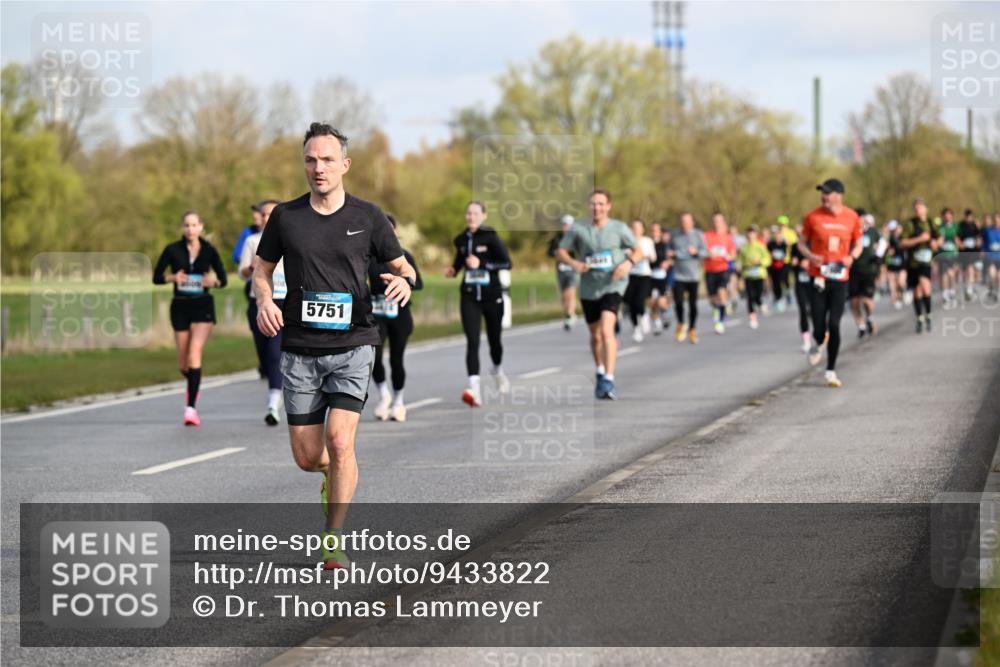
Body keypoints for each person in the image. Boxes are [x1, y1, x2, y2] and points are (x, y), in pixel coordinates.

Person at [254, 123, 416, 570]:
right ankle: (332, 477)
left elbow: (407, 268)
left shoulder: (368, 217)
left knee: (340, 441)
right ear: (303, 164)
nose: (318, 168)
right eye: (310, 159)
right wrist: (266, 299)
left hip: (354, 344)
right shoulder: (285, 218)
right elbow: (262, 270)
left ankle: (333, 539)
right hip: (300, 350)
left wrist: (404, 281)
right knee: (310, 457)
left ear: (344, 165)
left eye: (327, 159)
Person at [556, 189, 641, 400]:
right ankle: (600, 370)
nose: (597, 208)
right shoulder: (578, 229)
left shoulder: (619, 228)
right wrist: (574, 263)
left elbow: (638, 250)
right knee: (595, 336)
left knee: (606, 330)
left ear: (609, 206)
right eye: (594, 204)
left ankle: (609, 379)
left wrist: (627, 264)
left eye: (601, 204)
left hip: (613, 285)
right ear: (589, 206)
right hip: (589, 288)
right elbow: (561, 251)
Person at [153, 210, 228, 425]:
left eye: (194, 225)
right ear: (182, 228)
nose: (190, 229)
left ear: (201, 227)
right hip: (180, 306)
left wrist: (211, 282)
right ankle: (193, 384)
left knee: (195, 352)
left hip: (203, 305)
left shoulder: (209, 250)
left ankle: (190, 409)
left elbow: (222, 280)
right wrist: (172, 277)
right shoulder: (172, 250)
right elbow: (156, 277)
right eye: (186, 225)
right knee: (184, 364)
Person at [445, 201, 513, 407]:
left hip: (492, 296)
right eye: (468, 213)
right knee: (472, 341)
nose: (471, 217)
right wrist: (453, 270)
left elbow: (507, 262)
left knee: (495, 341)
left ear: (483, 216)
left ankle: (497, 369)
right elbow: (460, 261)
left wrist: (482, 264)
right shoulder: (461, 239)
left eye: (475, 214)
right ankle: (475, 391)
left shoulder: (491, 237)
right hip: (469, 296)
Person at [798, 178, 862, 388]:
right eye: (822, 193)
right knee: (818, 324)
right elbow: (801, 243)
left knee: (834, 324)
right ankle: (818, 341)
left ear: (838, 195)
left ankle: (831, 370)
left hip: (840, 277)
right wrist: (810, 255)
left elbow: (858, 242)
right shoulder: (813, 217)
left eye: (827, 192)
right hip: (818, 276)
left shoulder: (851, 217)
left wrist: (851, 257)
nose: (823, 196)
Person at [368, 214, 422, 422]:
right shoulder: (370, 258)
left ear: (395, 233)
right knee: (374, 357)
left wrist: (401, 282)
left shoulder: (404, 256)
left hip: (399, 315)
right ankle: (384, 396)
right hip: (377, 314)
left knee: (396, 359)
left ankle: (399, 402)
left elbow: (418, 283)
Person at [239, 200, 286, 425]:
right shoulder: (252, 241)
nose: (268, 218)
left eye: (272, 214)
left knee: (277, 353)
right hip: (259, 302)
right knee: (266, 356)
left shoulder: (292, 238)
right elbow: (243, 273)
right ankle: (279, 385)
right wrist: (255, 266)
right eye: (265, 214)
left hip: (286, 300)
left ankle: (273, 403)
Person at [900, 198, 940, 333]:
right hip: (913, 262)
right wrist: (919, 239)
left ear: (925, 209)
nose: (918, 210)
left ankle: (928, 314)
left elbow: (939, 237)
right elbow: (902, 243)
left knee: (926, 286)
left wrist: (936, 243)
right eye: (916, 208)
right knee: (917, 291)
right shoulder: (910, 224)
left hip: (926, 262)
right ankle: (919, 318)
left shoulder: (931, 222)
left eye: (920, 208)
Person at [668, 212, 707, 343]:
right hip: (679, 274)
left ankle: (692, 328)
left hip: (693, 275)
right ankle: (680, 323)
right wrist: (670, 253)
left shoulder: (698, 235)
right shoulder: (674, 235)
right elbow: (669, 249)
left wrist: (696, 252)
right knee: (678, 302)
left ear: (692, 222)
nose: (684, 224)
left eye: (687, 221)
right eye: (682, 221)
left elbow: (706, 252)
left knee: (692, 304)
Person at [848, 212, 883, 339]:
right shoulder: (850, 231)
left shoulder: (873, 232)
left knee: (867, 301)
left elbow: (883, 244)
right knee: (855, 301)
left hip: (868, 270)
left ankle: (869, 318)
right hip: (853, 271)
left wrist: (878, 256)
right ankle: (861, 326)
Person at [623, 219, 657, 342]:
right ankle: (636, 328)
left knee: (639, 301)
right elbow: (623, 255)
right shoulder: (626, 242)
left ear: (642, 229)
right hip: (630, 274)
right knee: (631, 304)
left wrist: (642, 256)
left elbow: (653, 257)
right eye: (634, 227)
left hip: (644, 275)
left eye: (638, 227)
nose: (636, 230)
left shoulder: (647, 241)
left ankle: (644, 315)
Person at [703, 213, 737, 334]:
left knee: (721, 293)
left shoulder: (727, 237)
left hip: (723, 269)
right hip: (710, 270)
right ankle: (718, 310)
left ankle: (720, 322)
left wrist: (729, 256)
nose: (717, 223)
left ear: (723, 222)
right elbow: (701, 250)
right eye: (715, 220)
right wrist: (707, 254)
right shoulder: (707, 236)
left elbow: (733, 253)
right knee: (713, 299)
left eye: (719, 221)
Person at [737, 225, 771, 329]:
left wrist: (760, 262)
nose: (751, 235)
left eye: (753, 233)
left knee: (758, 295)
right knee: (750, 297)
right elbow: (740, 260)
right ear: (747, 235)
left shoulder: (760, 246)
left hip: (759, 274)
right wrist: (738, 265)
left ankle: (760, 303)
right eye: (749, 233)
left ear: (756, 235)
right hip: (748, 275)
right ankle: (752, 318)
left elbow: (768, 259)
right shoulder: (744, 248)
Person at [548, 215, 579, 330]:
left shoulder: (576, 238)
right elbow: (550, 253)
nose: (565, 227)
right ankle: (568, 314)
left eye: (568, 225)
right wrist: (557, 254)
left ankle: (570, 314)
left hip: (573, 269)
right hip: (561, 269)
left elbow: (581, 252)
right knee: (564, 295)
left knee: (570, 292)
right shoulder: (556, 238)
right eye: (564, 224)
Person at [789, 224, 813, 353]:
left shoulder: (814, 244)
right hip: (800, 282)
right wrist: (796, 263)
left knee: (814, 311)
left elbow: (822, 262)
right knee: (803, 310)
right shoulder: (794, 246)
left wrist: (810, 262)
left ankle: (821, 335)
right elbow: (792, 264)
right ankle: (806, 340)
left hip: (814, 283)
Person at [649, 223, 672, 335]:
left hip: (662, 276)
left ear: (660, 232)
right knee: (652, 302)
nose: (654, 232)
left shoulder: (664, 245)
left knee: (661, 301)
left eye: (656, 230)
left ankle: (665, 312)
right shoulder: (647, 244)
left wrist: (667, 262)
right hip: (649, 275)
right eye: (652, 230)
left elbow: (671, 259)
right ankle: (657, 324)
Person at [937, 208, 960, 307]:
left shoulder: (956, 226)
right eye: (945, 215)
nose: (947, 217)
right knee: (944, 275)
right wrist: (940, 238)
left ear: (952, 216)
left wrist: (958, 242)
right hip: (943, 254)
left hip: (953, 254)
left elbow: (958, 240)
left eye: (949, 215)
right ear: (943, 217)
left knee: (951, 274)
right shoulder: (940, 227)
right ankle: (945, 296)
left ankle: (951, 292)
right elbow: (939, 242)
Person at [957, 208, 981, 301]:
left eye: (970, 216)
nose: (969, 218)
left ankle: (971, 287)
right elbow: (957, 237)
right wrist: (960, 243)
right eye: (967, 216)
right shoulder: (961, 225)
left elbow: (978, 236)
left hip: (974, 251)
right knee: (967, 270)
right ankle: (968, 289)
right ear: (965, 216)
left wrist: (978, 241)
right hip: (964, 252)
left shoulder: (974, 225)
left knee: (974, 271)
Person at [767, 224, 790, 313]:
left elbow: (784, 254)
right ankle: (777, 298)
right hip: (773, 266)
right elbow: (767, 253)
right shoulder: (770, 244)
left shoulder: (784, 244)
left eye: (779, 235)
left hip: (782, 265)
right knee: (775, 283)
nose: (777, 236)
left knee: (782, 281)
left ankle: (782, 297)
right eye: (776, 235)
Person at [982, 214, 1000, 302]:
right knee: (991, 274)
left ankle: (996, 292)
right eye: (995, 221)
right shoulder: (988, 231)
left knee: (998, 277)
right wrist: (983, 250)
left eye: (998, 221)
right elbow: (984, 242)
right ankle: (991, 288)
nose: (996, 223)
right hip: (991, 257)